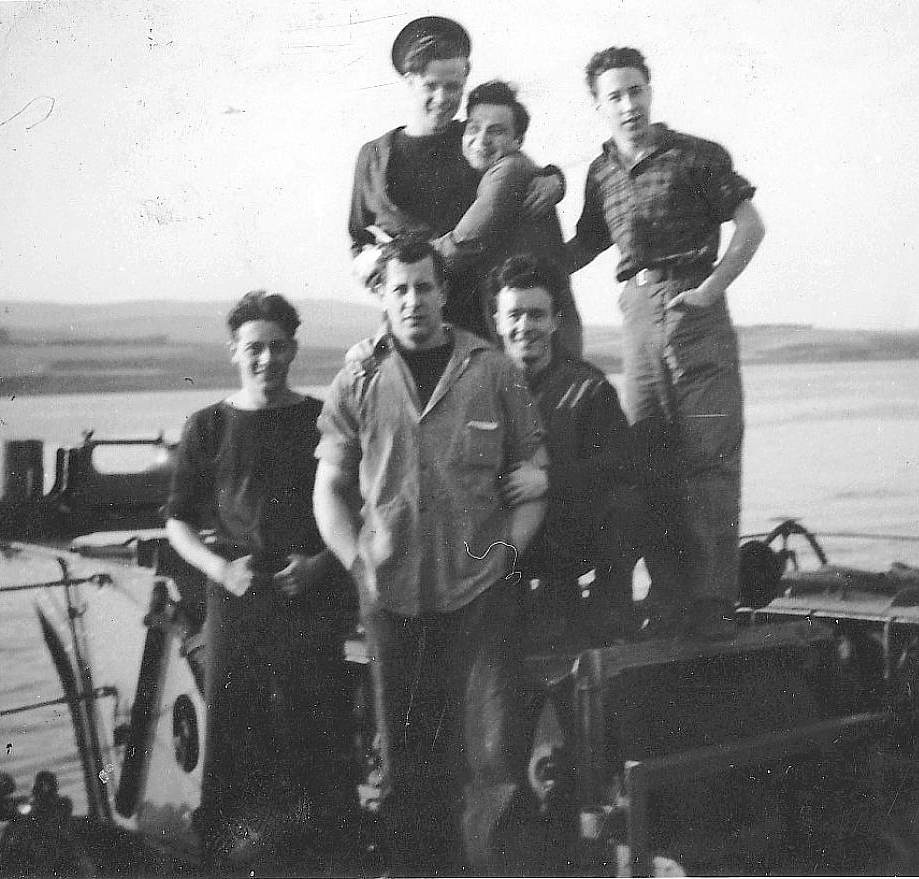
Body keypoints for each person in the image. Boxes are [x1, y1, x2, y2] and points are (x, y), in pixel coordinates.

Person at [313, 237, 548, 875]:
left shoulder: (495, 372)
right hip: (392, 601)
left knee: (493, 758)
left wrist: (507, 551)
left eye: (424, 287)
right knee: (405, 765)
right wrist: (358, 564)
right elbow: (327, 492)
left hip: (479, 598)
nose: (413, 300)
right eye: (400, 289)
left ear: (444, 292)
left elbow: (533, 474)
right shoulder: (357, 377)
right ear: (383, 297)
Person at [565, 47, 766, 639]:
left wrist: (710, 289)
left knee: (708, 456)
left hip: (695, 309)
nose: (628, 105)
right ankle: (670, 596)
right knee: (646, 458)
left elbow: (751, 225)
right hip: (636, 315)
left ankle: (712, 603)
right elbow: (585, 244)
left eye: (635, 91)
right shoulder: (600, 171)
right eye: (615, 96)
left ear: (649, 90)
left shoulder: (695, 157)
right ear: (598, 106)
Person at [165, 291, 351, 869]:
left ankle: (314, 861)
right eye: (254, 348)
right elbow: (177, 523)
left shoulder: (320, 418)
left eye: (277, 347)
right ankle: (226, 862)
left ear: (293, 349)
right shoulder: (208, 426)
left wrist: (319, 565)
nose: (266, 360)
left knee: (313, 735)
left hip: (307, 594)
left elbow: (355, 505)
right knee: (230, 738)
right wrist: (221, 568)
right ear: (233, 352)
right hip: (235, 597)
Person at [348, 16, 564, 343]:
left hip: (480, 319)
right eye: (431, 86)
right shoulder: (375, 157)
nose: (442, 97)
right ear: (409, 81)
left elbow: (518, 169)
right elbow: (359, 235)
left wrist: (554, 179)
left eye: (453, 87)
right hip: (411, 319)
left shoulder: (473, 140)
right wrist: (367, 262)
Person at [492, 253, 658, 643]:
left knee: (626, 504)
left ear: (554, 320)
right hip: (497, 537)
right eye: (514, 315)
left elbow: (621, 464)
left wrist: (548, 480)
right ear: (497, 321)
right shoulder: (477, 387)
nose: (525, 326)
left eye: (536, 314)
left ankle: (611, 618)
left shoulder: (589, 388)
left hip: (568, 535)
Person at [433, 80, 583, 356]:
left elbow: (465, 242)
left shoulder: (510, 169)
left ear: (518, 141)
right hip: (525, 324)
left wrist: (409, 257)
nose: (482, 140)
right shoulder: (492, 172)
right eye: (474, 128)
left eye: (497, 131)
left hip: (539, 330)